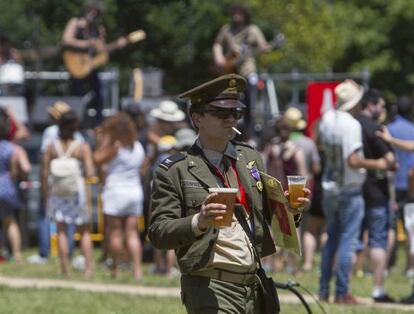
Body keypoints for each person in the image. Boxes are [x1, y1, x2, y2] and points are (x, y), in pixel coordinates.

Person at [149, 74, 310, 313]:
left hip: (254, 286)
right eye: (222, 113)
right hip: (211, 287)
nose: (231, 119)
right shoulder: (175, 170)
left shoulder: (250, 159)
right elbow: (158, 233)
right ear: (197, 118)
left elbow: (267, 218)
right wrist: (199, 221)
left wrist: (289, 209)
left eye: (236, 113)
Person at [317, 80, 389, 304]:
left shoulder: (327, 118)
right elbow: (354, 160)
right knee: (347, 242)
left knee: (331, 241)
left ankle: (322, 290)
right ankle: (341, 292)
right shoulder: (352, 125)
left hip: (330, 188)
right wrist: (379, 164)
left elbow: (318, 141)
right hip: (349, 190)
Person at [355, 89, 397, 303]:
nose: (382, 110)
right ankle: (378, 289)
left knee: (345, 236)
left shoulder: (353, 124)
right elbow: (390, 160)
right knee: (378, 239)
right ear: (371, 104)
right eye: (381, 105)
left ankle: (337, 286)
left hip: (355, 187)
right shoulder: (374, 128)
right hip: (376, 190)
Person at [28, 101, 82, 265]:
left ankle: (44, 253)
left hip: (54, 180)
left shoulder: (50, 132)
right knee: (69, 218)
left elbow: (45, 155)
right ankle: (70, 252)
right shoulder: (77, 135)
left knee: (46, 216)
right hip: (72, 182)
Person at [42, 111, 94, 277]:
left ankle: (65, 269)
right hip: (77, 192)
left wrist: (45, 194)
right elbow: (90, 171)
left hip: (57, 192)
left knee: (62, 230)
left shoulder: (51, 147)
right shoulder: (81, 146)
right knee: (84, 231)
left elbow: (44, 173)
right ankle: (88, 269)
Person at [93, 112, 145, 281]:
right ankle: (137, 270)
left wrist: (100, 142)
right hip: (134, 191)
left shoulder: (115, 146)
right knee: (132, 233)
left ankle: (116, 268)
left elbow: (97, 159)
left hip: (115, 191)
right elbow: (143, 168)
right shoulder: (137, 146)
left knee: (115, 233)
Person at [62, 1, 126, 127]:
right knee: (77, 95)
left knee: (99, 93)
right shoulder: (75, 23)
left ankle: (98, 124)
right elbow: (66, 40)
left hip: (90, 67)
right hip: (76, 66)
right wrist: (86, 44)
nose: (93, 13)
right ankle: (74, 123)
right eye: (91, 10)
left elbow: (102, 50)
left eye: (96, 12)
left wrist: (117, 45)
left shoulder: (99, 29)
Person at [212, 5, 272, 131]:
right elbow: (217, 44)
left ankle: (249, 129)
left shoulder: (252, 30)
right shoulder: (227, 29)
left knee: (249, 98)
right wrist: (219, 58)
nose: (236, 16)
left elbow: (264, 46)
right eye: (235, 13)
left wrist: (266, 48)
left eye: (240, 13)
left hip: (247, 70)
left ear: (245, 15)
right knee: (227, 99)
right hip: (230, 71)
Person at [0, 110, 24, 263]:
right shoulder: (9, 147)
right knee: (10, 222)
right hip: (5, 188)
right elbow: (14, 171)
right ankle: (17, 254)